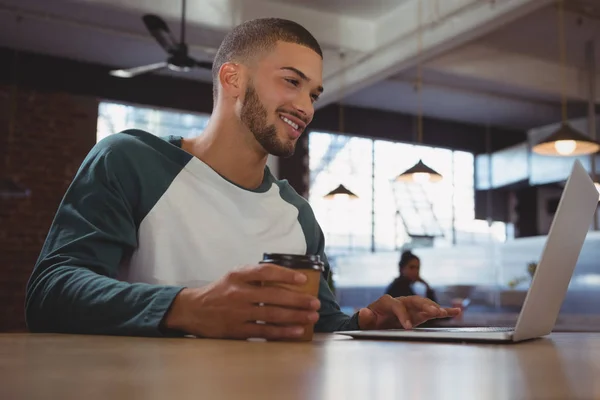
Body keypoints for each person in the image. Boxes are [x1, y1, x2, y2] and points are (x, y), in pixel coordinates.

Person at [25, 18, 460, 340]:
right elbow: (51, 292)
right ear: (233, 79)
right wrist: (188, 307)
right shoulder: (131, 160)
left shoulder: (299, 215)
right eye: (291, 82)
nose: (306, 107)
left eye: (313, 94)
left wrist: (365, 324)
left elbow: (319, 323)